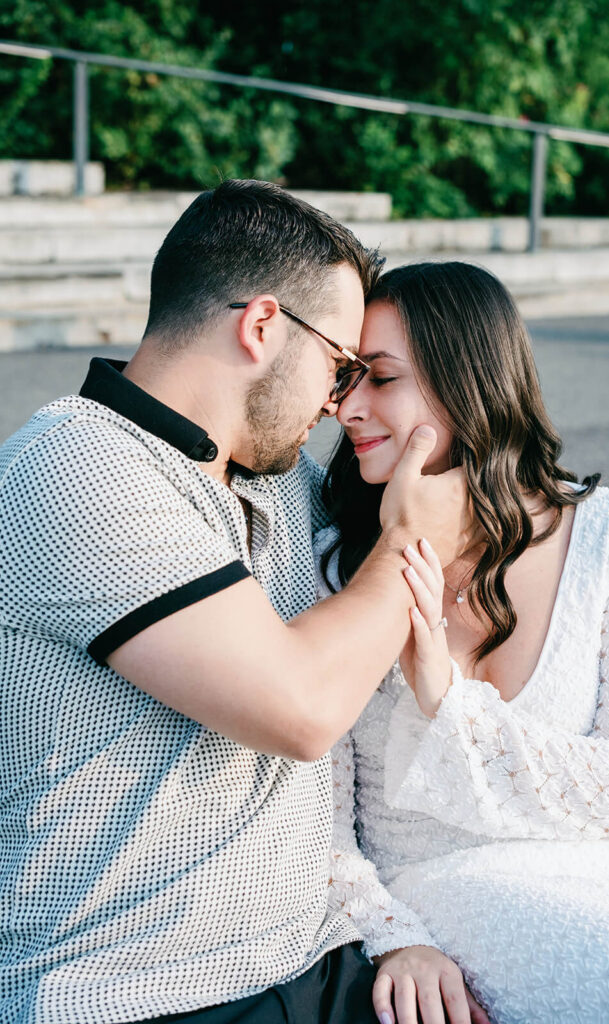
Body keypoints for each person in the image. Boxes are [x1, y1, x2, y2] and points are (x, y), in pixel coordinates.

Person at [0, 182, 477, 1024]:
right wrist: (411, 537)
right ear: (262, 327)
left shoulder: (280, 477)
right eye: (338, 366)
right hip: (137, 988)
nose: (338, 403)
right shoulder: (75, 467)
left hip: (312, 954)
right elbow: (300, 709)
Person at [318, 260, 609, 1024]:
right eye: (346, 378)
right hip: (439, 889)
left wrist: (448, 703)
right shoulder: (334, 560)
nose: (345, 407)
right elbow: (314, 820)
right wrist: (394, 937)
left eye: (378, 378)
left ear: (466, 381)